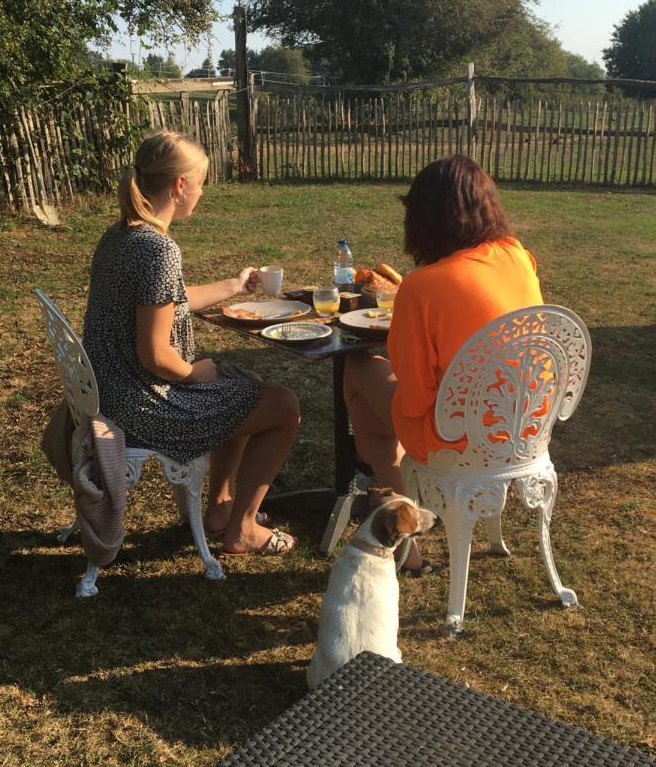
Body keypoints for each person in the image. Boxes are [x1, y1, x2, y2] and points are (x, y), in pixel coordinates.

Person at [82, 130, 300, 556]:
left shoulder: (121, 236)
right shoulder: (157, 249)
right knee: (284, 406)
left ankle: (219, 505)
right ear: (180, 185)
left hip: (110, 392)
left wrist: (234, 286)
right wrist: (194, 372)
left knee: (243, 382)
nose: (202, 191)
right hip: (144, 406)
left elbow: (166, 302)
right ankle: (243, 529)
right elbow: (157, 356)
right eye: (201, 182)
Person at [344, 154, 543, 575]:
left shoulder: (421, 287)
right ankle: (384, 486)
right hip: (523, 422)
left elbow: (415, 400)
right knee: (373, 410)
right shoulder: (517, 255)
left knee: (359, 371)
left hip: (461, 434)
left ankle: (390, 509)